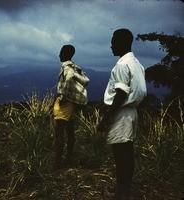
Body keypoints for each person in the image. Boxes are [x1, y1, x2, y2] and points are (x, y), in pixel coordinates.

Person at [97, 29, 147, 199]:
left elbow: (121, 94)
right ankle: (124, 191)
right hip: (131, 113)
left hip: (121, 114)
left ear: (123, 43)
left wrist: (106, 118)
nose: (111, 46)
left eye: (114, 41)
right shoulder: (137, 64)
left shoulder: (121, 65)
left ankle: (120, 193)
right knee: (127, 153)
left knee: (120, 155)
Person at [54, 45, 89, 169]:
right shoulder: (75, 67)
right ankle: (68, 158)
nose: (59, 55)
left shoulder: (67, 68)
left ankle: (58, 162)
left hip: (66, 102)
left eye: (61, 52)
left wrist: (62, 97)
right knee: (70, 131)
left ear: (65, 53)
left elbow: (67, 80)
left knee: (59, 130)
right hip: (73, 102)